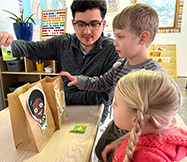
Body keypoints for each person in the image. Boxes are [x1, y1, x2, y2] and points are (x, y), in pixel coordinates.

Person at [60, 3, 165, 161]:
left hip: (136, 137)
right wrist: (79, 80)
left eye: (120, 37)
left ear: (143, 38)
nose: (115, 42)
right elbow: (102, 82)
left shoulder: (154, 76)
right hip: (117, 125)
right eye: (115, 36)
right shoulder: (121, 64)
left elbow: (161, 120)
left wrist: (125, 140)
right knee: (99, 151)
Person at [0, 0, 120, 123]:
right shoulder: (63, 43)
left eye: (94, 24)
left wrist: (62, 97)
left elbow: (103, 96)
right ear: (73, 23)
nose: (87, 31)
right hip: (63, 109)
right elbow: (31, 49)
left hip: (94, 113)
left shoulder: (113, 50)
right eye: (81, 24)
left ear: (103, 25)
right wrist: (5, 45)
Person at [108, 70, 187, 162]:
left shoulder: (143, 157)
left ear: (137, 119)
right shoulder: (171, 132)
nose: (112, 105)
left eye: (116, 103)